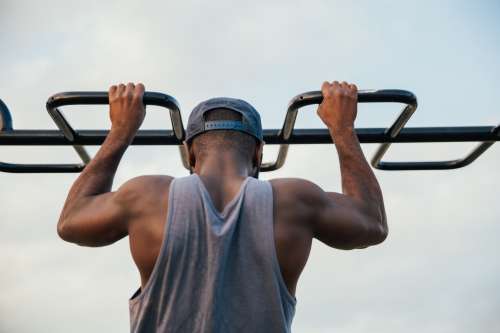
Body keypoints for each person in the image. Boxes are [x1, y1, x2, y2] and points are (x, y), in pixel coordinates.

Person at [56, 81, 388, 333]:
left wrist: (120, 132)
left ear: (190, 155)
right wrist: (342, 129)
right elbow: (371, 223)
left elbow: (71, 221)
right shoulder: (295, 201)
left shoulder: (146, 196)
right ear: (258, 154)